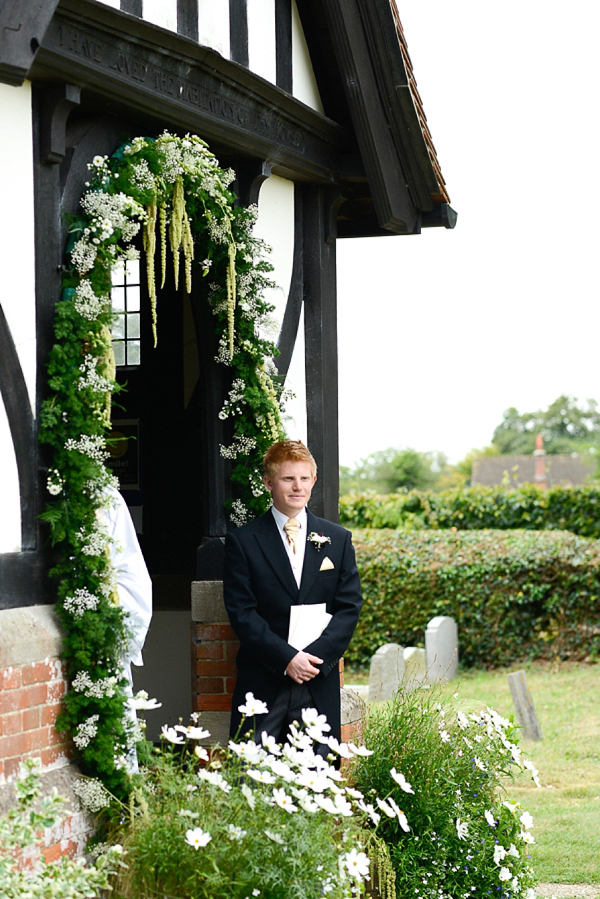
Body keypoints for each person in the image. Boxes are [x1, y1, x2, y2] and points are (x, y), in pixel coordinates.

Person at [223, 440, 363, 745]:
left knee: (316, 776)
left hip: (316, 679)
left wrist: (313, 658)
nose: (297, 486)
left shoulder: (337, 539)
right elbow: (242, 613)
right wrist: (287, 659)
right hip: (263, 679)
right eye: (288, 479)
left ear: (313, 481)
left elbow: (349, 606)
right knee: (252, 776)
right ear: (268, 483)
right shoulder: (243, 542)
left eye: (303, 478)